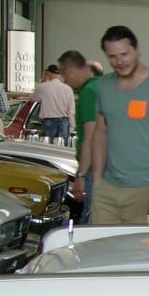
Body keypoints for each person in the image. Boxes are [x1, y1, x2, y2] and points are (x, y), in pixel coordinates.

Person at [90, 25, 149, 224]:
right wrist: (97, 181)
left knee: (146, 254)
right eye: (112, 56)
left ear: (137, 49)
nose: (119, 61)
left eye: (124, 54)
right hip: (108, 191)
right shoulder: (104, 86)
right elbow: (100, 133)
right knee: (101, 253)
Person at [58, 50, 102, 222]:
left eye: (64, 75)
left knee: (90, 220)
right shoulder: (101, 86)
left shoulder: (89, 92)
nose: (65, 81)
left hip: (94, 168)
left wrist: (81, 175)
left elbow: (91, 136)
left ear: (69, 69)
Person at [31, 63, 74, 143]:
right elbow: (71, 110)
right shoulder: (67, 89)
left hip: (48, 121)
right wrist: (72, 127)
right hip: (63, 122)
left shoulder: (42, 87)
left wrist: (43, 80)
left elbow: (34, 99)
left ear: (48, 73)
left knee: (49, 149)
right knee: (62, 150)